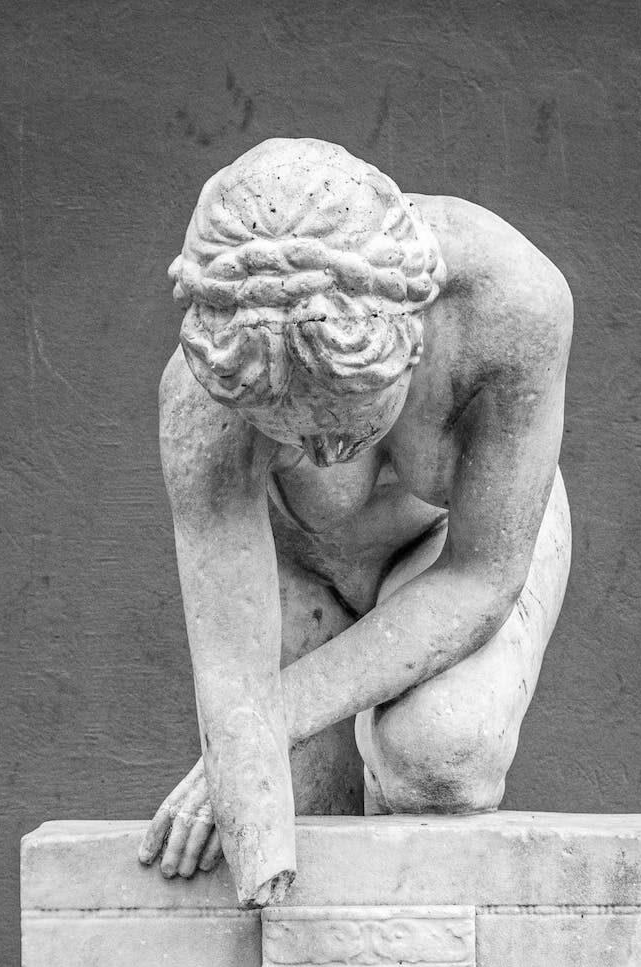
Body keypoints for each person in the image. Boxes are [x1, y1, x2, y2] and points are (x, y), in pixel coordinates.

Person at [138, 138, 572, 905]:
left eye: (348, 422)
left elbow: (480, 576)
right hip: (296, 563)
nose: (327, 454)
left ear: (408, 337)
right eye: (291, 435)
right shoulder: (204, 390)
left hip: (444, 549)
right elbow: (232, 668)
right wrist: (249, 785)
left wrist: (260, 725)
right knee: (285, 816)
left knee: (442, 752)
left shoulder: (511, 308)